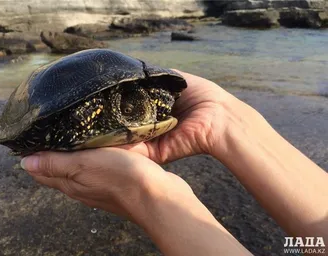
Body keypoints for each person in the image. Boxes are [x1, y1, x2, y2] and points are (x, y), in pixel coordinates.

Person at [20, 70, 328, 255]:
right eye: (136, 102)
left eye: (153, 101)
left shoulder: (153, 105)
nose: (157, 105)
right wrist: (224, 119)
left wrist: (152, 199)